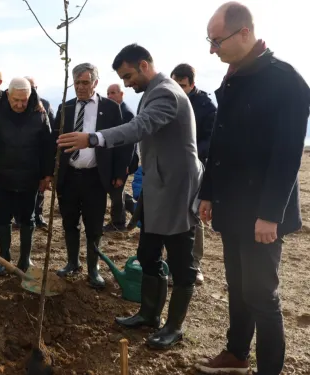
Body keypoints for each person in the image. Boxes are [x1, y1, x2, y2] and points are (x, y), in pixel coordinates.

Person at [57, 45, 203, 349]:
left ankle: (173, 327)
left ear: (145, 65)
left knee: (180, 262)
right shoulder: (154, 91)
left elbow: (140, 127)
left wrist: (94, 138)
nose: (125, 84)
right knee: (148, 254)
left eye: (128, 75)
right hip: (157, 187)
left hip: (175, 190)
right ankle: (149, 314)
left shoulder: (166, 92)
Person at [195, 3, 309, 374]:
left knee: (261, 294)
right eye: (209, 41)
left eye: (217, 40)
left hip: (262, 214)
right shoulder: (233, 76)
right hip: (231, 207)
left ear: (244, 32)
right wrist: (208, 192)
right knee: (238, 286)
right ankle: (237, 354)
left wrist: (270, 214)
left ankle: (269, 369)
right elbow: (220, 144)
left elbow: (287, 156)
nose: (212, 49)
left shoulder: (286, 81)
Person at [53, 63, 131, 289]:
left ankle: (93, 268)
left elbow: (121, 142)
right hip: (69, 176)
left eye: (85, 82)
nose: (80, 87)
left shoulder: (110, 108)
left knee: (94, 225)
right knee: (69, 221)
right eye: (76, 83)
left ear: (96, 83)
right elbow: (54, 141)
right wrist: (52, 172)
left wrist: (118, 173)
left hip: (95, 177)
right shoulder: (66, 107)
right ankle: (72, 262)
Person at [0, 77, 53, 276]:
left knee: (28, 219)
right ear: (8, 94)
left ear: (30, 95)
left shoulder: (40, 112)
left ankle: (25, 259)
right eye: (16, 100)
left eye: (24, 100)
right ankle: (4, 260)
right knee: (3, 219)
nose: (20, 104)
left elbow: (47, 146)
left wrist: (46, 175)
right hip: (3, 176)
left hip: (30, 177)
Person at [171, 63, 216, 285]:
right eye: (175, 85)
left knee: (194, 215)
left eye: (183, 86)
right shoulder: (168, 100)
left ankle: (194, 264)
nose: (179, 90)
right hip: (170, 168)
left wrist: (193, 153)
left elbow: (212, 139)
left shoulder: (206, 106)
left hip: (195, 168)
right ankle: (169, 263)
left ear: (192, 84)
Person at [103, 83, 136, 232]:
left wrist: (122, 170)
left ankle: (118, 223)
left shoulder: (126, 113)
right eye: (108, 93)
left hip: (123, 161)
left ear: (121, 94)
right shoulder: (112, 111)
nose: (110, 96)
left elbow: (128, 145)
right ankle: (133, 207)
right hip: (112, 161)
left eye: (113, 93)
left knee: (116, 190)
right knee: (116, 190)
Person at [25, 76, 55, 229]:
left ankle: (39, 214)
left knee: (40, 188)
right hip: (23, 154)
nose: (33, 91)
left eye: (35, 87)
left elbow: (50, 131)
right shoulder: (17, 103)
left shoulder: (45, 104)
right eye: (30, 87)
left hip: (39, 154)